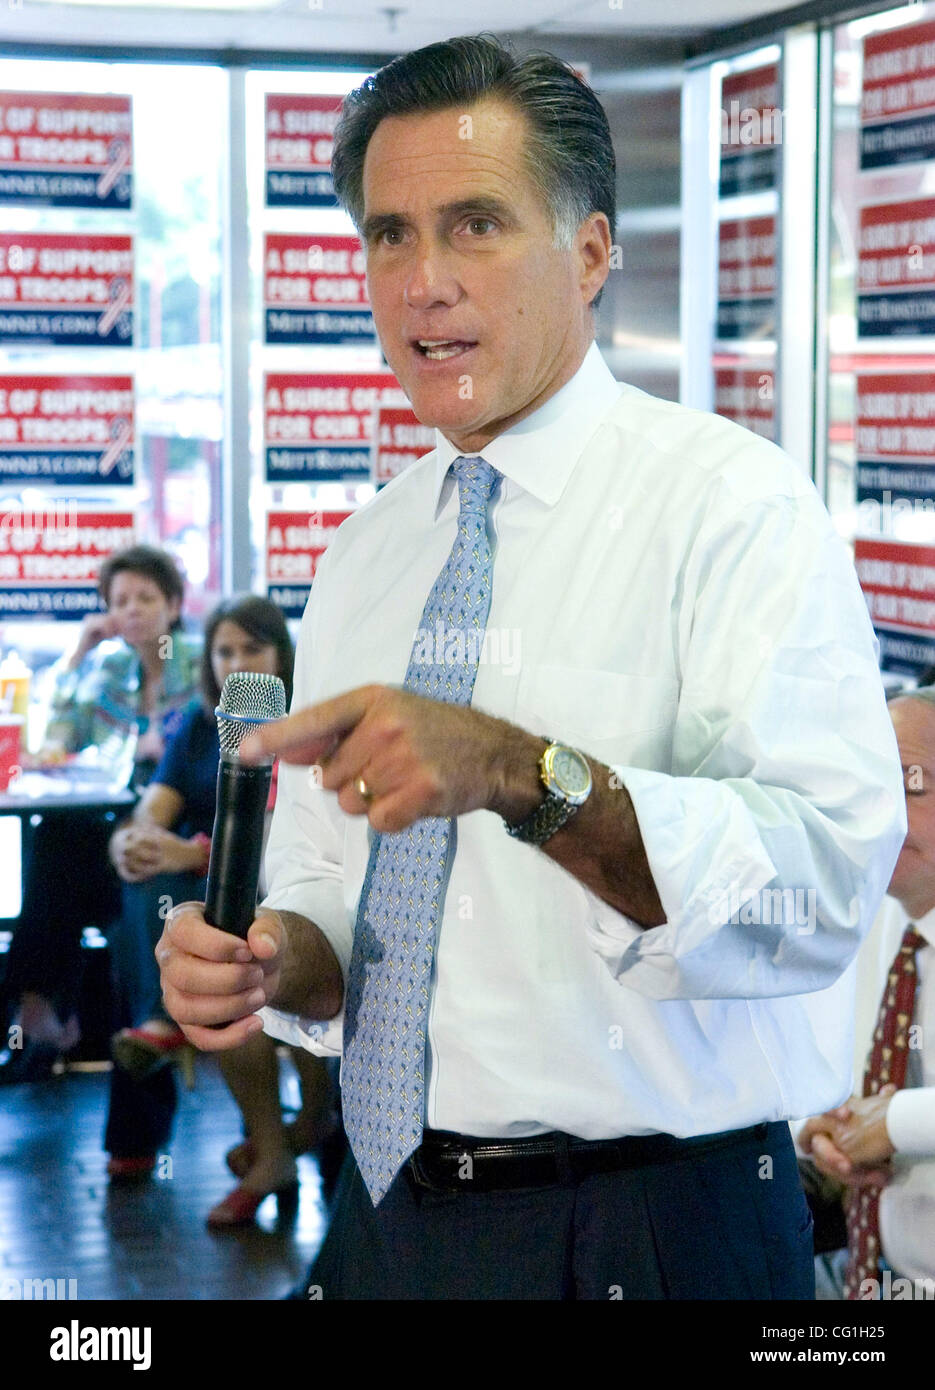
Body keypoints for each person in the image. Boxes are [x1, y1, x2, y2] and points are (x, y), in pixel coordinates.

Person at [156, 36, 905, 1300]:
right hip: (391, 1209)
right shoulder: (367, 552)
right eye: (388, 235)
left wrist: (517, 771)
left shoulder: (729, 508)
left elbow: (820, 890)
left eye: (476, 225)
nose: (424, 283)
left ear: (594, 252)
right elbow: (340, 899)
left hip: (650, 1229)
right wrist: (272, 953)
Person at [105, 595, 339, 1222]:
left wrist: (190, 854)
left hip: (298, 893)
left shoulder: (313, 722)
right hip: (228, 895)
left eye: (252, 649)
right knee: (190, 925)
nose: (238, 664)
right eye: (224, 651)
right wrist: (136, 841)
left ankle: (307, 1126)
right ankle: (272, 1148)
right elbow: (154, 807)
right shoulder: (202, 726)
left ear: (282, 657)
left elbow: (293, 832)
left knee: (257, 953)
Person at [2, 544, 199, 1072]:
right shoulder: (110, 667)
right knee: (55, 840)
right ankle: (39, 1004)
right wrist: (78, 651)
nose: (132, 610)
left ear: (174, 605)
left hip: (180, 829)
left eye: (146, 598)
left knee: (90, 862)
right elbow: (52, 744)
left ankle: (43, 1008)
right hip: (115, 826)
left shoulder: (202, 661)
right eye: (120, 601)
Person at [799, 688, 935, 1297]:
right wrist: (820, 1128)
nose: (888, 811)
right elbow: (821, 1080)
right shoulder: (869, 922)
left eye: (912, 784)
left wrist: (898, 1122)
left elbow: (891, 1118)